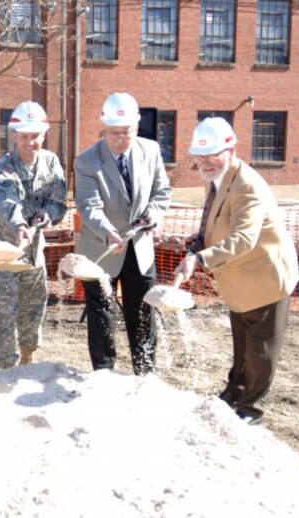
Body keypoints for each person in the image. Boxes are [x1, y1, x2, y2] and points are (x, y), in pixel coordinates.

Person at [175, 117, 299, 425]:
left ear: (231, 149)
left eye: (211, 155)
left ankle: (250, 409)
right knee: (242, 346)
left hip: (265, 279)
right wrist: (200, 240)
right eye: (199, 156)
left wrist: (200, 259)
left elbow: (244, 238)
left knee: (261, 350)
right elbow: (214, 218)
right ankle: (234, 392)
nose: (203, 162)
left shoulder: (247, 186)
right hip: (239, 280)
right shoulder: (217, 176)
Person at [74, 92, 172, 375]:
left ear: (136, 127)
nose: (118, 139)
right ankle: (104, 372)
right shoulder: (87, 161)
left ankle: (145, 371)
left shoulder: (150, 151)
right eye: (112, 132)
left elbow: (162, 191)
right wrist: (108, 230)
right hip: (102, 248)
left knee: (143, 312)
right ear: (103, 127)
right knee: (102, 313)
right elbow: (88, 205)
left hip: (139, 248)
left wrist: (152, 213)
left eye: (125, 132)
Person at [0, 101, 68, 369]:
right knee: (4, 314)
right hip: (4, 255)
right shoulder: (4, 168)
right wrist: (21, 225)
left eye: (36, 136)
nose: (31, 142)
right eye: (25, 137)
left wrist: (47, 214)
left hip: (34, 254)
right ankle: (5, 369)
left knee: (33, 309)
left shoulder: (51, 162)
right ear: (14, 136)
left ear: (43, 134)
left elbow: (58, 201)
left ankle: (28, 359)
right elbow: (7, 202)